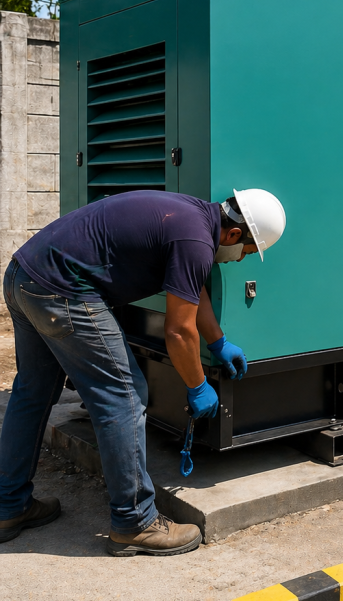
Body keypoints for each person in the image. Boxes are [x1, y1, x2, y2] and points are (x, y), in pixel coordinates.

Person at [0, 188, 285, 555]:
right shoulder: (196, 239)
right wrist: (197, 384)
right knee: (125, 397)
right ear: (232, 234)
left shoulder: (191, 216)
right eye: (245, 251)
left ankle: (9, 506)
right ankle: (135, 522)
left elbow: (191, 288)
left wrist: (217, 342)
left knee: (32, 392)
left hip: (24, 276)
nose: (239, 259)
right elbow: (178, 332)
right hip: (62, 291)